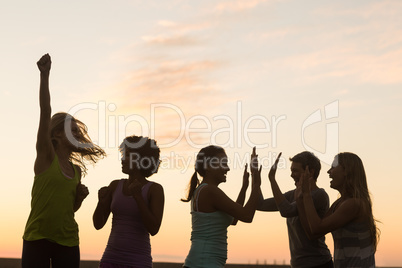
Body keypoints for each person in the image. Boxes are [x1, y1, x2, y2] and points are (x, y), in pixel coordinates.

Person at [22, 54, 106, 268]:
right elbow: (45, 111)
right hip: (37, 238)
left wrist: (79, 198)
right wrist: (45, 75)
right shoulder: (45, 156)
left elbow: (70, 209)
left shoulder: (76, 170)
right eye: (73, 130)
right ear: (57, 134)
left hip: (68, 241)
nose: (78, 134)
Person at [182, 146, 262, 268]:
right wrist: (256, 182)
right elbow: (247, 216)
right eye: (223, 163)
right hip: (203, 263)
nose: (228, 168)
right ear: (208, 166)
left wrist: (244, 188)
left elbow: (234, 219)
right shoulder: (210, 191)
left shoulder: (204, 190)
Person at [93, 135, 164, 268]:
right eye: (123, 155)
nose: (123, 160)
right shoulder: (114, 186)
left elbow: (154, 229)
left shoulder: (154, 189)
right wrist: (100, 203)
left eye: (127, 155)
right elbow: (98, 224)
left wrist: (138, 197)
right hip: (110, 258)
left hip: (138, 262)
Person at [300, 152, 379, 268]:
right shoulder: (339, 203)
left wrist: (307, 194)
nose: (328, 172)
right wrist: (299, 200)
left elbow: (316, 228)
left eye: (333, 167)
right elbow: (313, 233)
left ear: (346, 170)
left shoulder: (354, 204)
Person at [258, 151, 333, 268]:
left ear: (311, 172)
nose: (292, 175)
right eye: (291, 171)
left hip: (318, 264)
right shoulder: (292, 194)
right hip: (298, 265)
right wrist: (256, 180)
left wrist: (272, 180)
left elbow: (286, 211)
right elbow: (261, 204)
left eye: (295, 171)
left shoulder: (319, 195)